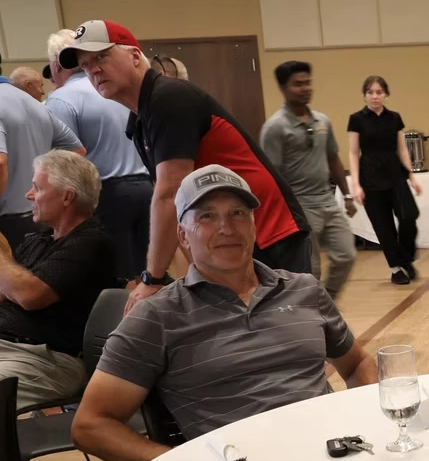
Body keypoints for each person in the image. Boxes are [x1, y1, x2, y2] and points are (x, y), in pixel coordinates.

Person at [72, 165, 377, 461]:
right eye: (206, 216)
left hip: (335, 459)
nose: (227, 228)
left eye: (238, 213)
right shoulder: (157, 317)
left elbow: (357, 364)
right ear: (183, 235)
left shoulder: (303, 289)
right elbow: (90, 425)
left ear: (254, 226)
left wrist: (371, 423)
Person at [57, 20, 311, 312]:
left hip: (270, 231)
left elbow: (169, 193)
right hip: (231, 236)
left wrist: (152, 278)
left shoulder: (169, 98)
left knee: (288, 328)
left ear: (135, 56)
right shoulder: (139, 120)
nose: (94, 70)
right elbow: (179, 203)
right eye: (85, 65)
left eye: (101, 56)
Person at [0, 151, 115, 408]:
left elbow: (29, 295)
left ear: (67, 197)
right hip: (0, 348)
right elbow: (6, 291)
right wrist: (6, 284)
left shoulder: (90, 243)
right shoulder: (41, 240)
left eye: (37, 188)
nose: (29, 195)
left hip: (45, 360)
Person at [44, 29, 155, 285]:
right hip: (145, 188)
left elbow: (65, 164)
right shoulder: (119, 90)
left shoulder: (62, 99)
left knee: (114, 277)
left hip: (105, 195)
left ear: (56, 65)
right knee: (147, 273)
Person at [0, 28, 84, 251]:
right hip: (40, 218)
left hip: (0, 224)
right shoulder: (32, 103)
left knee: (9, 275)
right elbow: (77, 152)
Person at [260, 61, 356, 297]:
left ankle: (327, 299)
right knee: (310, 268)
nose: (305, 88)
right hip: (299, 205)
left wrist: (347, 195)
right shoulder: (276, 127)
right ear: (283, 88)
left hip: (327, 201)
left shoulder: (322, 121)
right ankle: (312, 310)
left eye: (308, 83)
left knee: (346, 255)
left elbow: (333, 159)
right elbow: (270, 174)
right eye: (298, 84)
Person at [347, 75, 421, 285]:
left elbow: (402, 149)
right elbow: (353, 152)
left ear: (386, 95)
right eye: (370, 92)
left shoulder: (394, 118)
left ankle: (405, 258)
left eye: (379, 92)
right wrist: (356, 184)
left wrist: (412, 176)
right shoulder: (356, 119)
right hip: (370, 176)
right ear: (364, 95)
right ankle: (396, 268)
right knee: (383, 225)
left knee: (409, 216)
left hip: (395, 174)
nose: (374, 96)